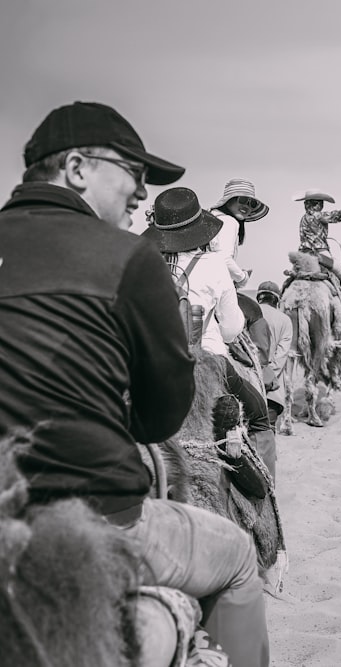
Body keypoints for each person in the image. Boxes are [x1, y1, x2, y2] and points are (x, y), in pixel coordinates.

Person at [0, 101, 268, 667]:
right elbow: (161, 414)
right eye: (133, 174)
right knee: (240, 556)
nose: (142, 193)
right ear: (77, 168)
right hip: (97, 514)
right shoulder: (127, 255)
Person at [143, 188, 277, 480]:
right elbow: (230, 330)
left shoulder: (142, 265)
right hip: (208, 361)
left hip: (150, 365)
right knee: (259, 416)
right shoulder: (216, 265)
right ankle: (264, 490)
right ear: (198, 229)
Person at [294, 189, 341, 319]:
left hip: (303, 255)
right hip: (321, 254)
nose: (321, 206)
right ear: (317, 204)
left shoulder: (303, 218)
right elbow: (338, 215)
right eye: (320, 203)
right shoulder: (318, 216)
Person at [209, 177, 270, 288]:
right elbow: (224, 259)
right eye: (242, 200)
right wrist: (242, 278)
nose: (246, 206)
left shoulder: (212, 218)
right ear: (228, 201)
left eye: (252, 204)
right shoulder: (229, 222)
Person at [256, 281, 293, 428]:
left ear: (259, 297)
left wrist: (254, 376)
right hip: (272, 390)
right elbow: (280, 357)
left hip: (247, 387)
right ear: (277, 300)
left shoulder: (246, 314)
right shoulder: (285, 320)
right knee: (267, 433)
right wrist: (266, 377)